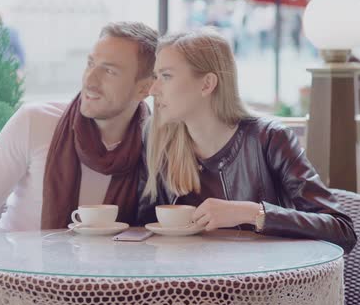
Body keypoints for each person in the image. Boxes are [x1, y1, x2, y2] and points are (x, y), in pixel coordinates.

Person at [138, 28, 357, 253]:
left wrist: (252, 213)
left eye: (166, 76)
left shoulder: (269, 138)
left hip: (264, 284)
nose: (153, 89)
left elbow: (342, 231)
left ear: (207, 84)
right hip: (189, 283)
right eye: (156, 76)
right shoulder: (160, 143)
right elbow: (141, 228)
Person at [0, 22, 158, 240]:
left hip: (103, 272)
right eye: (90, 64)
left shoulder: (157, 145)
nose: (90, 80)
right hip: (12, 269)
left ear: (144, 88)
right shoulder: (36, 121)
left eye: (109, 71)